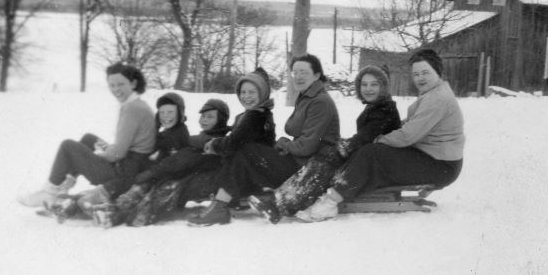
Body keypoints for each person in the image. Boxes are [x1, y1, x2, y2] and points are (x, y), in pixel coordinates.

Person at [297, 48, 464, 222]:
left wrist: (380, 139)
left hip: (440, 165)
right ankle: (340, 191)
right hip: (436, 160)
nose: (420, 78)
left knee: (372, 154)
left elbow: (408, 136)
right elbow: (412, 124)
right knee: (373, 152)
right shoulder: (434, 94)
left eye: (425, 73)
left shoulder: (438, 99)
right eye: (416, 74)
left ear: (437, 72)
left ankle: (330, 203)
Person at [188, 54, 340, 226]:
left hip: (310, 167)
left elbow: (307, 146)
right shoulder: (307, 97)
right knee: (247, 152)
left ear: (317, 75)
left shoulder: (320, 102)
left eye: (303, 72)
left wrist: (285, 144)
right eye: (295, 72)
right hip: (302, 160)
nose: (298, 76)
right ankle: (222, 204)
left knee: (247, 151)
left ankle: (220, 206)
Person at [123, 68, 277, 227]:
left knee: (181, 179)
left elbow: (235, 143)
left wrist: (208, 144)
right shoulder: (248, 116)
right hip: (232, 174)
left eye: (252, 92)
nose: (246, 96)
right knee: (179, 174)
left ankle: (138, 211)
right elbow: (236, 138)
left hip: (236, 177)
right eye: (243, 92)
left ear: (263, 92)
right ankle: (133, 204)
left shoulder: (257, 115)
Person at [248, 64, 401, 224]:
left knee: (325, 163)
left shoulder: (385, 110)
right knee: (323, 160)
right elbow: (365, 137)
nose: (368, 89)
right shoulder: (375, 107)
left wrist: (342, 148)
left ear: (383, 87)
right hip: (369, 160)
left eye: (374, 84)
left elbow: (366, 136)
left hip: (379, 166)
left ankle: (280, 205)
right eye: (364, 84)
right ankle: (283, 199)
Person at [17, 62, 156, 212]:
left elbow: (118, 153)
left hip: (124, 173)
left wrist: (98, 155)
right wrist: (103, 151)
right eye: (112, 85)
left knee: (68, 146)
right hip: (131, 163)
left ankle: (49, 192)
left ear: (133, 83)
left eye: (121, 84)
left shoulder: (132, 108)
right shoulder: (137, 104)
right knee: (89, 139)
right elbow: (123, 148)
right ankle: (62, 188)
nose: (116, 89)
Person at [95, 98, 231, 227]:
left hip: (198, 182)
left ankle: (118, 215)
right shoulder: (201, 139)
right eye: (203, 116)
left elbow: (183, 162)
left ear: (221, 120)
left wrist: (155, 171)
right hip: (188, 176)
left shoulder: (215, 143)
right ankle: (117, 208)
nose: (205, 120)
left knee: (162, 187)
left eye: (210, 117)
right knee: (150, 181)